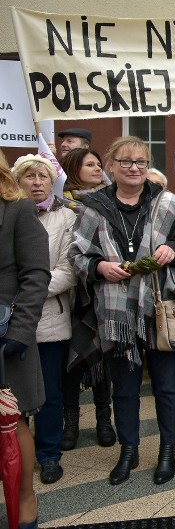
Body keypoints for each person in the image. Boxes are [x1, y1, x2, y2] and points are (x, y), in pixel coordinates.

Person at [69, 136, 175, 486]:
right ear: (110, 166)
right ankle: (129, 450)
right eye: (126, 161)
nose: (134, 167)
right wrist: (99, 267)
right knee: (125, 387)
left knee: (166, 385)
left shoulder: (168, 202)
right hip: (116, 315)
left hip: (158, 312)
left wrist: (173, 249)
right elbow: (77, 253)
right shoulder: (92, 207)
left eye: (141, 161)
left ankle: (168, 450)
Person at [11, 155, 77, 486]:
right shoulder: (8, 214)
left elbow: (68, 270)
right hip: (8, 321)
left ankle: (48, 454)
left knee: (49, 393)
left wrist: (25, 293)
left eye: (44, 176)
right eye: (29, 176)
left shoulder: (66, 217)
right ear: (16, 181)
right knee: (11, 394)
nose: (37, 182)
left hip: (50, 320)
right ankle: (13, 455)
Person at [0, 158, 50, 529]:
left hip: (5, 338)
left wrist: (19, 332)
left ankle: (24, 504)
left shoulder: (17, 208)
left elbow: (36, 275)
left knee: (12, 421)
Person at [58, 146, 117, 450]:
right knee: (72, 359)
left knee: (102, 356)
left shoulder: (109, 201)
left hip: (101, 289)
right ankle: (71, 422)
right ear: (72, 169)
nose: (98, 169)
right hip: (69, 294)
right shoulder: (59, 204)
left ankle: (104, 419)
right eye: (90, 164)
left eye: (98, 163)